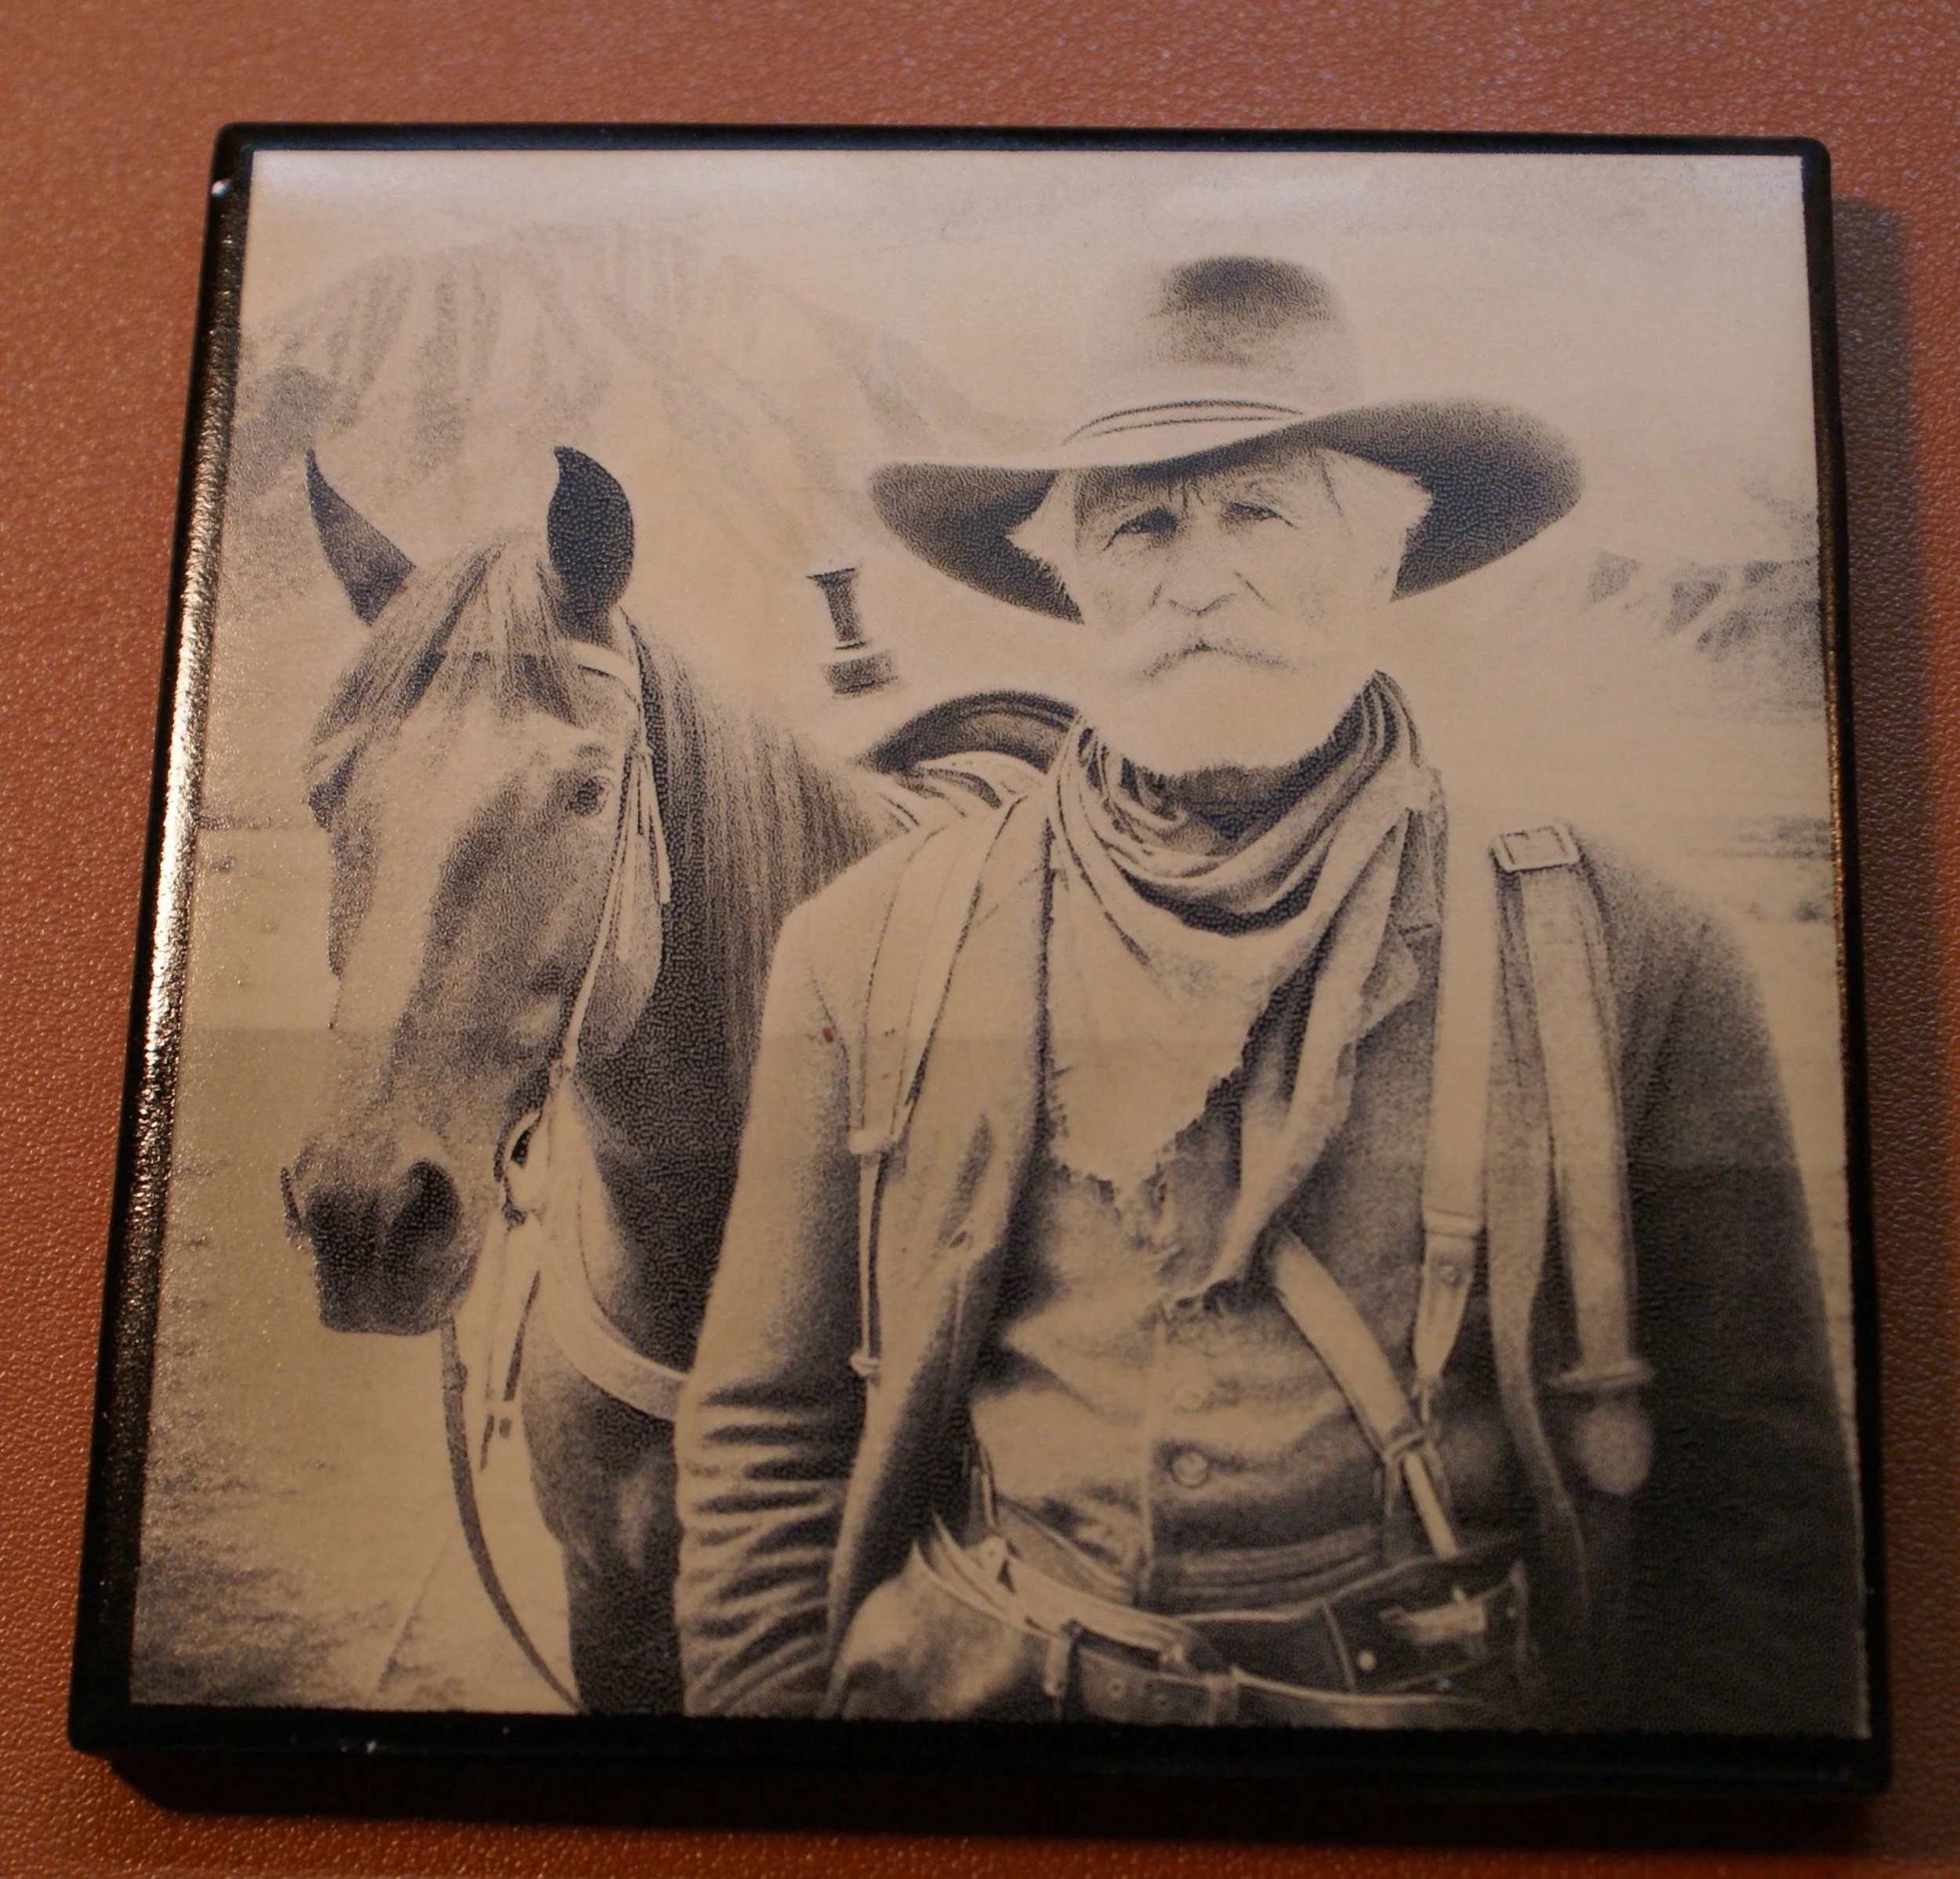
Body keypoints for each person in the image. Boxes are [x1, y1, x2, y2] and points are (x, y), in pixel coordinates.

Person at [673, 256, 1863, 1732]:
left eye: (1261, 514)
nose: (1200, 580)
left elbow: (1760, 1507)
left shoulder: (1632, 951)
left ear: (1382, 558)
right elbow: (767, 1445)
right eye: (1141, 527)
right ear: (1071, 580)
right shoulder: (869, 946)